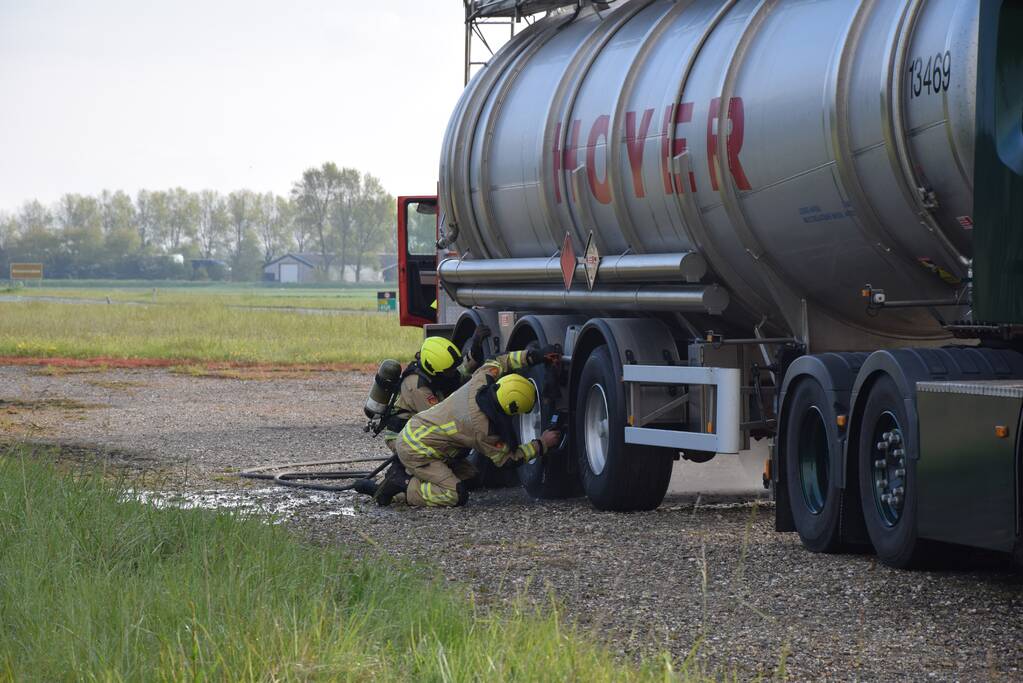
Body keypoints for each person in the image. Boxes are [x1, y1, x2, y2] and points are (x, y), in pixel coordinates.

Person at [355, 346, 561, 507]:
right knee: (455, 494)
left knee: (472, 477)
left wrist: (534, 356)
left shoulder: (481, 380)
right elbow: (508, 459)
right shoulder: (483, 430)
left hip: (419, 435)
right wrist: (541, 444)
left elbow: (500, 360)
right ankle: (403, 488)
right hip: (417, 449)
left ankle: (410, 473)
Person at [379, 327, 491, 455]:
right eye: (449, 371)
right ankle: (404, 472)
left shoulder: (436, 373)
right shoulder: (418, 388)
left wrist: (475, 349)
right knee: (440, 457)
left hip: (419, 428)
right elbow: (440, 420)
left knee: (468, 472)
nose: (453, 373)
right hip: (402, 437)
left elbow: (460, 371)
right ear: (433, 369)